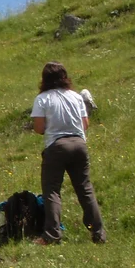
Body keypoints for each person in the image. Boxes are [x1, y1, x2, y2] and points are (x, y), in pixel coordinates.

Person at [30, 62, 106, 245]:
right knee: (85, 189)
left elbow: (39, 128)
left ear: (44, 79)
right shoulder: (75, 97)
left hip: (56, 146)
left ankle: (52, 234)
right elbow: (85, 124)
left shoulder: (42, 99)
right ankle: (98, 232)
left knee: (52, 191)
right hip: (79, 144)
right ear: (65, 77)